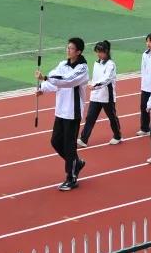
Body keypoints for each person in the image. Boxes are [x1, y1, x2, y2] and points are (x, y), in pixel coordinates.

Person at [36, 38, 90, 191]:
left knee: (69, 145)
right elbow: (55, 82)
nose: (68, 50)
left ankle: (71, 178)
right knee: (55, 141)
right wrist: (43, 87)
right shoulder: (62, 64)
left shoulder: (82, 68)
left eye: (71, 48)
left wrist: (46, 78)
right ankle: (76, 163)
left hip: (72, 112)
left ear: (78, 51)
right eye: (68, 47)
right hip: (60, 110)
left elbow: (68, 81)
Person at [78, 40, 122, 147]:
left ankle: (117, 136)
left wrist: (95, 86)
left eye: (100, 52)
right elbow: (95, 78)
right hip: (95, 95)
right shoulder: (96, 63)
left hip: (107, 96)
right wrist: (92, 85)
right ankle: (83, 139)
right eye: (97, 52)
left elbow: (107, 79)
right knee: (90, 117)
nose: (98, 54)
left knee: (112, 117)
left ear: (106, 51)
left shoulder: (111, 64)